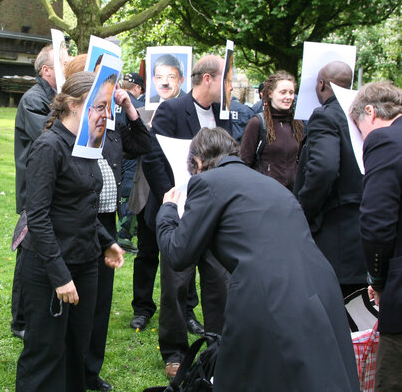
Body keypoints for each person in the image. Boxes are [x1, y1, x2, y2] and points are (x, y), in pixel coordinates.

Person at [156, 127, 359, 391]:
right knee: (317, 377)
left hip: (266, 293)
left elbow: (178, 252)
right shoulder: (268, 183)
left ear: (198, 163)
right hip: (319, 287)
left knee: (252, 378)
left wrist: (168, 211)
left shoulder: (207, 181)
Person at [16, 71, 125, 392]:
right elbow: (37, 217)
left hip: (85, 261)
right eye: (100, 106)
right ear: (76, 105)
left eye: (107, 107)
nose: (106, 115)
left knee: (76, 350)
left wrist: (106, 242)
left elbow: (80, 206)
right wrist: (60, 275)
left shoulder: (87, 146)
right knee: (46, 353)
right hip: (49, 267)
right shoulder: (49, 147)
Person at [142, 54, 230, 379]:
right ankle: (175, 351)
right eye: (225, 78)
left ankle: (218, 347)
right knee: (176, 283)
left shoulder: (223, 113)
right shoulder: (173, 109)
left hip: (214, 211)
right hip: (179, 209)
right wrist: (171, 196)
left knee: (219, 281)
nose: (229, 85)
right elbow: (153, 157)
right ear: (208, 78)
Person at [80, 74, 152, 391]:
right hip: (81, 220)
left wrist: (129, 107)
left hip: (107, 222)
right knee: (82, 300)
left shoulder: (114, 126)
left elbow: (143, 145)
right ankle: (75, 367)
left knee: (101, 301)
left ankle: (90, 371)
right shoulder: (80, 126)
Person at [293, 61, 365, 297]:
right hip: (365, 228)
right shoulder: (361, 115)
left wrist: (304, 210)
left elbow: (323, 169)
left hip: (336, 231)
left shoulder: (326, 116)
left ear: (322, 84)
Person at [350, 82, 402, 390]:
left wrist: (378, 280)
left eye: (360, 130)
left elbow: (376, 223)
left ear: (369, 112)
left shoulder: (384, 140)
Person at [12, 44, 57, 340]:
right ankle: (20, 320)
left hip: (48, 185)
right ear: (46, 70)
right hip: (34, 187)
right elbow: (50, 134)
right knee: (27, 252)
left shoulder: (53, 97)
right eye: (61, 64)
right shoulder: (34, 99)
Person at [239, 71, 303, 190]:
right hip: (265, 194)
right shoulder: (257, 123)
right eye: (283, 92)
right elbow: (245, 162)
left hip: (291, 196)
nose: (288, 97)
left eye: (291, 92)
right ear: (270, 93)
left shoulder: (297, 124)